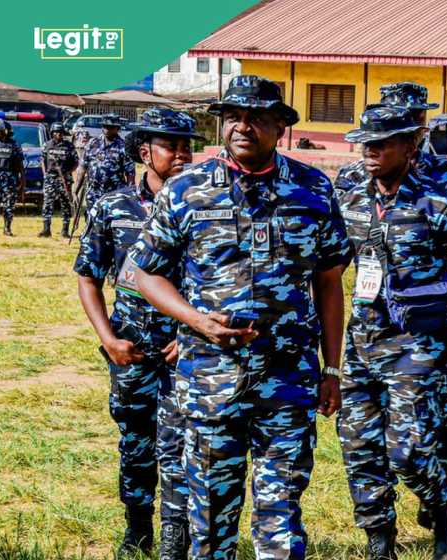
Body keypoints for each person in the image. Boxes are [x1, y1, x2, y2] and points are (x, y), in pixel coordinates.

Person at [129, 76, 352, 560]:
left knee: (282, 518)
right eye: (233, 116)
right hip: (210, 379)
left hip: (288, 380)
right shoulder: (186, 190)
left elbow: (329, 283)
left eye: (256, 117)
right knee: (209, 520)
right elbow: (145, 274)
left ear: (280, 126)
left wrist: (332, 368)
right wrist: (196, 321)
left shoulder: (312, 189)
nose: (242, 126)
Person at [336, 105, 447, 560]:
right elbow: (327, 271)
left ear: (409, 145)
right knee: (359, 447)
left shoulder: (439, 206)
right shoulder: (351, 202)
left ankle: (443, 514)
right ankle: (380, 542)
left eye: (382, 143)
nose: (370, 151)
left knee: (410, 452)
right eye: (366, 143)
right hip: (362, 343)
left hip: (419, 348)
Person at [74, 108, 204, 559]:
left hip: (184, 350)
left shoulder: (202, 207)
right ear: (145, 151)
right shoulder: (113, 207)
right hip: (130, 349)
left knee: (181, 444)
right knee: (135, 440)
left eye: (189, 144)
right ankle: (138, 526)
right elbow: (88, 277)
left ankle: (175, 534)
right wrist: (109, 339)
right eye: (172, 145)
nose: (183, 154)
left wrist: (191, 333)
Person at [75, 113, 135, 218]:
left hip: (114, 194)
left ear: (117, 128)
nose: (107, 129)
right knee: (91, 224)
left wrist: (130, 195)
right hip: (94, 193)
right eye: (105, 126)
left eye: (111, 127)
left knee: (111, 224)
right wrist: (76, 190)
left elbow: (130, 173)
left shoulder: (123, 147)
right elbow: (82, 168)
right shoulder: (92, 143)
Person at [40, 122, 78, 238]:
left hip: (64, 179)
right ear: (52, 133)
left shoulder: (69, 146)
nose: (59, 135)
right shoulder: (47, 145)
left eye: (61, 133)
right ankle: (46, 229)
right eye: (57, 132)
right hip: (50, 178)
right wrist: (45, 174)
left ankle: (65, 230)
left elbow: (76, 162)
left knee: (65, 204)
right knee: (47, 204)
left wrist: (68, 172)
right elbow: (42, 160)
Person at [0, 118, 25, 236]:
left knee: (9, 204)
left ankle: (7, 228)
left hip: (10, 178)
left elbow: (20, 165)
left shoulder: (14, 145)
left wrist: (22, 182)